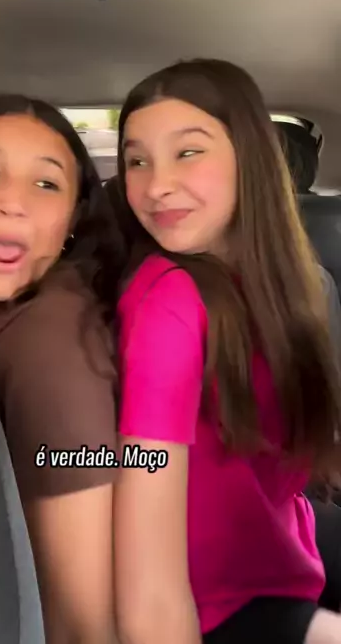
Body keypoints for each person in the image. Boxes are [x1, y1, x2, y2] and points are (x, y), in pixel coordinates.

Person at [113, 59, 341, 644]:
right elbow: (150, 592)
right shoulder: (169, 299)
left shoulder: (286, 285)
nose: (156, 185)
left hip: (282, 556)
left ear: (250, 157)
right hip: (219, 608)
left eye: (187, 152)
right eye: (137, 161)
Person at [0, 94, 124, 644]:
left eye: (45, 183)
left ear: (72, 220)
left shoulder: (51, 343)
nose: (11, 202)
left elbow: (83, 623)